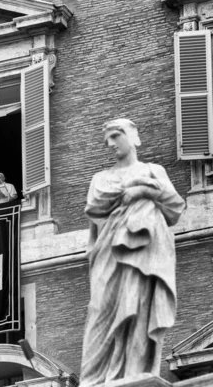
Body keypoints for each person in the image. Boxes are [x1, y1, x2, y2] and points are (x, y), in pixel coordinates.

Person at [80, 119, 185, 386]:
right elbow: (94, 219)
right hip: (108, 253)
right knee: (100, 309)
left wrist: (141, 187)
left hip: (147, 253)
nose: (111, 144)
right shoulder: (100, 179)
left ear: (132, 137)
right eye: (107, 141)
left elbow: (174, 206)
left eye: (116, 136)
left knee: (139, 307)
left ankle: (135, 372)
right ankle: (92, 379)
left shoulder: (153, 171)